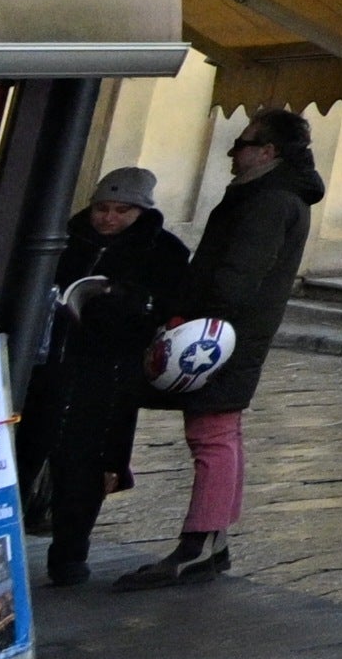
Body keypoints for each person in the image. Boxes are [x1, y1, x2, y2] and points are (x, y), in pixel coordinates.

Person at [152, 107, 323, 585]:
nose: (234, 152)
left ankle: (201, 540)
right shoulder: (271, 195)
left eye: (243, 144)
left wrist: (195, 318)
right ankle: (213, 539)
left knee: (211, 432)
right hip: (231, 332)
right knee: (221, 430)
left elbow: (239, 276)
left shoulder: (269, 201)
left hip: (223, 335)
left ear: (267, 151)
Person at [25, 160, 201, 590]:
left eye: (122, 211)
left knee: (88, 461)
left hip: (110, 370)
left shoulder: (164, 251)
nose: (109, 218)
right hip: (50, 365)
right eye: (104, 208)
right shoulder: (65, 239)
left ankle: (70, 555)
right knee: (30, 447)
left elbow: (168, 307)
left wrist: (125, 303)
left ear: (140, 212)